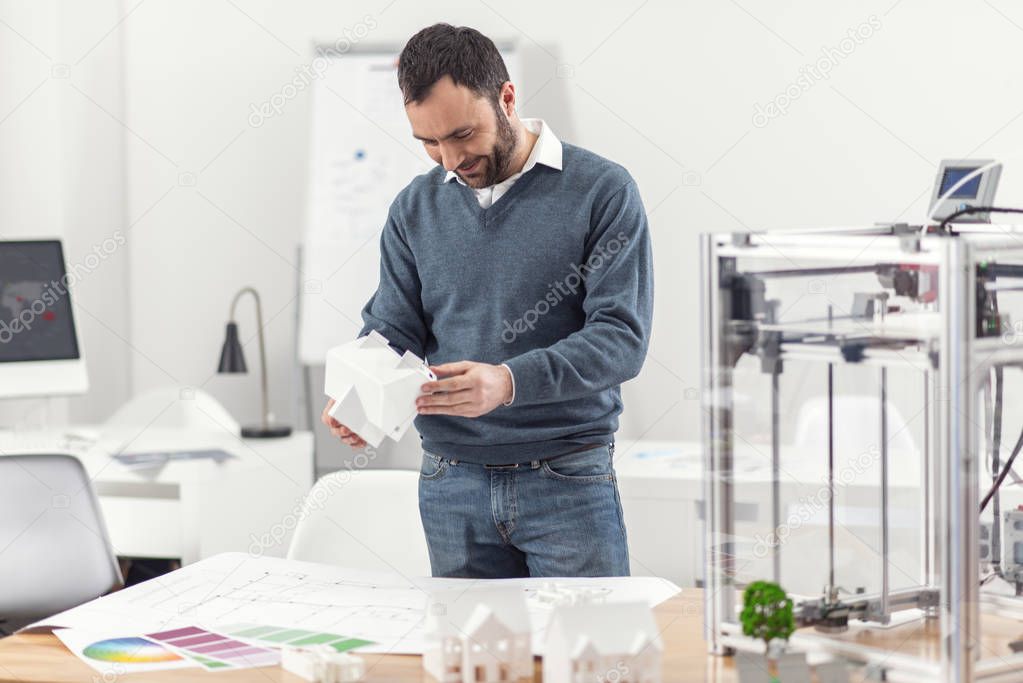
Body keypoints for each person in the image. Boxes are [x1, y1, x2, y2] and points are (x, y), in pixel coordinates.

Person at [322, 23, 653, 579]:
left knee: (586, 660)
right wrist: (358, 396)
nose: (449, 159)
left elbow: (621, 340)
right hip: (451, 483)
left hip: (566, 477)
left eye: (461, 134)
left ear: (506, 97)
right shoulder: (414, 208)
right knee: (468, 664)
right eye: (428, 142)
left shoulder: (602, 191)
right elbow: (391, 328)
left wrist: (507, 381)